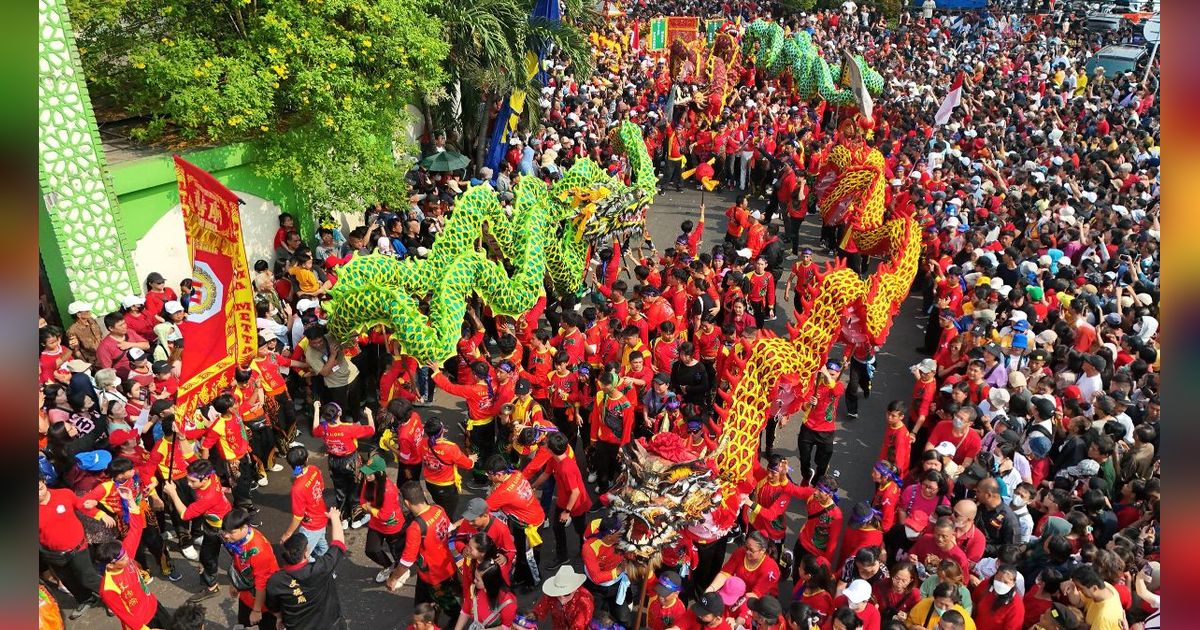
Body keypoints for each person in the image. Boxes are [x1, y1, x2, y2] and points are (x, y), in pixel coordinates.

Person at [160, 459, 232, 602]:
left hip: (217, 528)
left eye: (192, 481)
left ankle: (212, 587)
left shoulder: (208, 497)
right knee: (232, 552)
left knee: (208, 558)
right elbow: (190, 455)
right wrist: (182, 438)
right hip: (223, 518)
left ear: (205, 479)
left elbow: (184, 515)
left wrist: (173, 493)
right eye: (188, 479)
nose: (188, 484)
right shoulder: (211, 474)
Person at [266, 506, 349, 630]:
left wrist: (279, 618)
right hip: (331, 625)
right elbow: (338, 544)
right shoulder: (321, 568)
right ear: (306, 553)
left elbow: (273, 607)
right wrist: (335, 518)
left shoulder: (275, 581)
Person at [387, 481, 460, 618]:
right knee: (421, 602)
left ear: (407, 503)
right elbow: (449, 529)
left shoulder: (415, 527)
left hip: (434, 575)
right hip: (444, 565)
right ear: (424, 494)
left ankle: (456, 620)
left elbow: (407, 561)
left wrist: (394, 578)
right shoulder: (438, 509)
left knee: (450, 606)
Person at [38, 477, 103, 620]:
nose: (38, 494)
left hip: (78, 546)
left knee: (88, 578)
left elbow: (82, 505)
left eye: (40, 488)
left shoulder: (64, 494)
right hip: (54, 554)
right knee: (68, 580)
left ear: (44, 482)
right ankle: (86, 599)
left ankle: (111, 599)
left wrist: (97, 510)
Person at [95, 514, 174, 630]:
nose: (128, 558)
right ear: (110, 565)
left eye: (126, 554)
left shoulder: (125, 556)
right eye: (122, 559)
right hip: (141, 622)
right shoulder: (108, 589)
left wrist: (132, 503)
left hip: (153, 606)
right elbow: (124, 615)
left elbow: (136, 529)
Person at [312, 401, 374, 529]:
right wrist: (369, 415)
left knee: (340, 490)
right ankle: (357, 518)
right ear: (339, 413)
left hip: (334, 462)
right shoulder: (349, 428)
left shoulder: (323, 428)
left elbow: (314, 430)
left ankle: (343, 518)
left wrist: (316, 410)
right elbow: (371, 430)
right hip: (351, 461)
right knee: (355, 489)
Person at [221, 507, 281, 629]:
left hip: (263, 600)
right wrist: (234, 583)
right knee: (243, 623)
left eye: (231, 532)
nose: (226, 536)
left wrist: (257, 610)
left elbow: (261, 584)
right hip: (246, 593)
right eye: (225, 531)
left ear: (244, 528)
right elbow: (237, 561)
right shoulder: (239, 539)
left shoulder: (258, 551)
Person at [358, 454, 406, 583]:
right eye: (366, 473)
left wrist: (369, 509)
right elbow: (362, 499)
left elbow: (384, 515)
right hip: (376, 524)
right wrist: (368, 507)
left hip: (393, 526)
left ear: (379, 473)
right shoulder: (367, 481)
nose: (366, 477)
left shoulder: (388, 490)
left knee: (397, 554)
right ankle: (388, 566)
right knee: (371, 550)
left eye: (370, 474)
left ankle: (399, 572)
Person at [796, 361, 846, 483]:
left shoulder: (838, 385)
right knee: (804, 459)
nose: (828, 376)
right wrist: (810, 403)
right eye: (827, 373)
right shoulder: (814, 385)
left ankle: (816, 482)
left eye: (833, 374)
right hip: (808, 428)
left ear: (838, 374)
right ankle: (806, 476)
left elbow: (836, 392)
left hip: (826, 431)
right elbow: (803, 407)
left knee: (822, 463)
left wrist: (828, 377)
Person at [418, 416, 477, 518]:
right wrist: (472, 459)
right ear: (442, 431)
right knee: (448, 513)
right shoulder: (451, 448)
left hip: (429, 483)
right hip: (446, 487)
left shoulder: (422, 442)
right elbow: (468, 465)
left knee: (438, 503)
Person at [279, 445, 330, 561]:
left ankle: (316, 572)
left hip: (311, 526)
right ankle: (328, 565)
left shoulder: (297, 489)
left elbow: (298, 516)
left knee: (303, 555)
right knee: (322, 545)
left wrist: (287, 534)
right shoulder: (314, 469)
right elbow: (321, 487)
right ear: (306, 460)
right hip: (322, 517)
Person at [454, 558, 518, 630]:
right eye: (475, 577)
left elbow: (506, 627)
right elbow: (465, 611)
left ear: (489, 583)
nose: (474, 581)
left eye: (477, 580)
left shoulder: (507, 602)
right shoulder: (474, 589)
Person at [530, 565, 595, 628]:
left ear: (574, 589)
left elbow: (579, 625)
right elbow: (543, 604)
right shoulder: (551, 592)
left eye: (566, 594)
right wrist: (535, 614)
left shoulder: (584, 602)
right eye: (557, 593)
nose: (561, 599)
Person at [1063, 565, 1125, 630]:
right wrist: (1071, 590)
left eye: (1080, 588)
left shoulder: (1103, 618)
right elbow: (1079, 602)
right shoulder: (1106, 587)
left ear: (1094, 588)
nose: (1078, 590)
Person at [905, 582, 975, 630]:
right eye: (940, 603)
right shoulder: (923, 605)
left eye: (947, 605)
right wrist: (914, 627)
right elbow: (908, 622)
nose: (943, 608)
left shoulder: (964, 620)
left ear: (954, 603)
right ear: (934, 598)